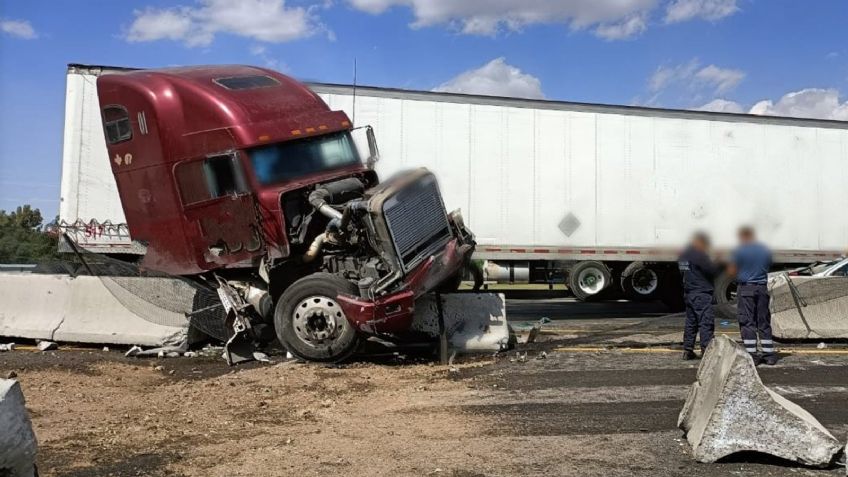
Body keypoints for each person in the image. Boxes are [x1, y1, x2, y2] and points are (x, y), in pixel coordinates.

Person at [727, 226, 777, 365]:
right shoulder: (764, 250)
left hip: (746, 288)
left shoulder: (740, 250)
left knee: (747, 321)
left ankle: (752, 354)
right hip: (762, 288)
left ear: (743, 236)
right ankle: (769, 355)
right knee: (763, 321)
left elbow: (731, 270)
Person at [678, 232, 719, 360]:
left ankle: (687, 350)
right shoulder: (700, 254)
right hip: (701, 292)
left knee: (691, 322)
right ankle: (706, 350)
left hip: (689, 292)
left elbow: (682, 272)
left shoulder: (683, 255)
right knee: (705, 322)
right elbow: (712, 270)